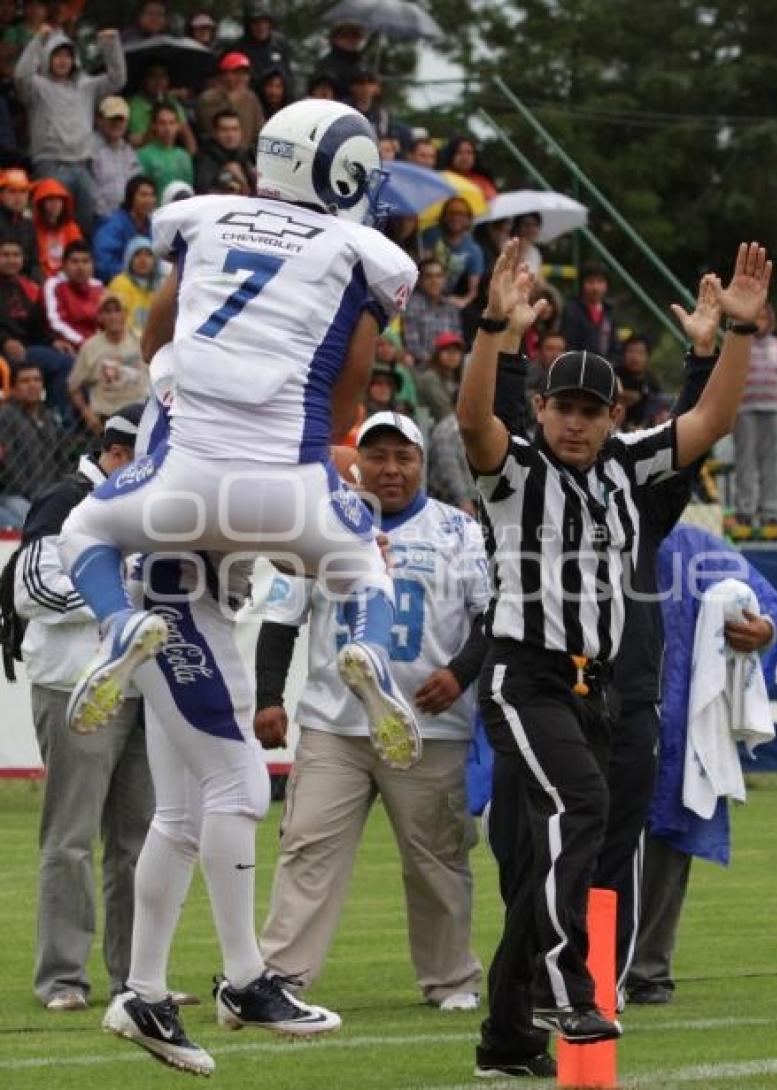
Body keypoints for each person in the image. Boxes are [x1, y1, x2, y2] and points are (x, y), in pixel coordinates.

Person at [56, 99, 424, 1070]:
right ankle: (244, 976)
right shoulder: (347, 263)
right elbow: (348, 383)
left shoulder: (194, 271)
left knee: (181, 810)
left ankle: (141, 994)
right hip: (213, 562)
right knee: (241, 783)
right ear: (345, 174)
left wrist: (169, 367)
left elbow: (163, 330)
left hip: (171, 533)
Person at [455, 239, 772, 1071]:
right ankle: (568, 984)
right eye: (562, 405)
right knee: (584, 806)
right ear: (545, 408)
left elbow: (713, 422)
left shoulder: (629, 466)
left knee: (555, 856)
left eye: (591, 410)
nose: (574, 420)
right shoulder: (515, 471)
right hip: (525, 674)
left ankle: (505, 1039)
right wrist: (493, 328)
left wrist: (736, 336)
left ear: (614, 416)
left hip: (595, 688)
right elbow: (471, 420)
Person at [256, 412, 489, 1008]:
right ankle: (281, 977)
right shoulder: (323, 526)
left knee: (437, 858)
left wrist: (460, 675)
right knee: (307, 847)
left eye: (403, 457)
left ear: (421, 463)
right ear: (357, 461)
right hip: (335, 722)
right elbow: (282, 620)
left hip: (430, 725)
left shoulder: (459, 532)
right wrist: (267, 699)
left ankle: (450, 979)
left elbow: (492, 619)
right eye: (377, 456)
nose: (390, 469)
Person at [12, 406, 154, 1011]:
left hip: (144, 690)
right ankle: (63, 979)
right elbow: (29, 591)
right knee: (70, 838)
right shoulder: (62, 501)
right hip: (74, 684)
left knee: (140, 840)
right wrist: (119, 598)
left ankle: (136, 977)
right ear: (119, 454)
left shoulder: (155, 508)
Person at [626, 524, 777, 1005]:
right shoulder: (569, 533)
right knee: (580, 846)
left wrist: (765, 630)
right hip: (595, 719)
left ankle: (647, 970)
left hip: (672, 725)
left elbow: (767, 605)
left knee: (665, 844)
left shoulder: (693, 547)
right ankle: (574, 964)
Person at [14, 26, 126, 237]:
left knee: (85, 223)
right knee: (52, 222)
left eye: (67, 55)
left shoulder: (87, 87)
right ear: (48, 58)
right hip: (50, 162)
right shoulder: (37, 87)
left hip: (82, 164)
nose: (63, 60)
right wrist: (39, 39)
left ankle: (82, 263)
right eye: (57, 55)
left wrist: (111, 46)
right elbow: (21, 76)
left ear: (74, 60)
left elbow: (117, 80)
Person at [731, 303, 777, 538]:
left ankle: (771, 509)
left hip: (773, 409)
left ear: (771, 321)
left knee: (771, 460)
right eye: (756, 316)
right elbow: (729, 376)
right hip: (746, 409)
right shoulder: (741, 345)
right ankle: (745, 508)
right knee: (745, 460)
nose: (760, 321)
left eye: (764, 317)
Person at [0, 236, 75, 419]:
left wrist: (53, 341)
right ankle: (57, 419)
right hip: (5, 350)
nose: (11, 260)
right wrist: (5, 342)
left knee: (69, 360)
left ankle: (55, 417)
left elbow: (37, 326)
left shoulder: (28, 287)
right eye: (5, 255)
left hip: (28, 348)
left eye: (16, 255)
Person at [68, 292, 148, 433]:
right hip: (106, 420)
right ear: (100, 316)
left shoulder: (141, 340)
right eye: (107, 311)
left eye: (118, 310)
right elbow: (73, 387)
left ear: (125, 314)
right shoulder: (90, 347)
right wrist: (87, 413)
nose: (113, 316)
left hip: (140, 417)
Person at [0, 362, 66, 527]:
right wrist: (39, 498)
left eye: (37, 380)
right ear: (14, 388)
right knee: (31, 524)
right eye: (25, 381)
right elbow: (10, 467)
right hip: (14, 495)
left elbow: (61, 461)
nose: (32, 385)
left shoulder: (50, 417)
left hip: (50, 496)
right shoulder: (6, 416)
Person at [421, 197, 485, 312]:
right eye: (452, 213)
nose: (456, 217)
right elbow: (425, 270)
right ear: (444, 216)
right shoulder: (431, 234)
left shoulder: (474, 250)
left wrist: (463, 301)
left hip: (450, 300)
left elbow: (473, 291)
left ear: (468, 219)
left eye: (461, 214)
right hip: (423, 293)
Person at [93, 175, 156, 284]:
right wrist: (134, 274)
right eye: (143, 195)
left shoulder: (153, 225)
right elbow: (103, 264)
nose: (148, 200)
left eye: (152, 195)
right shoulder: (113, 225)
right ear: (131, 197)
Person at [403, 257, 464, 369]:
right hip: (423, 369)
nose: (434, 281)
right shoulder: (412, 306)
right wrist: (436, 364)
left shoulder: (451, 308)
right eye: (429, 276)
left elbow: (457, 342)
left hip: (449, 369)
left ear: (444, 279)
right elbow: (413, 347)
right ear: (420, 281)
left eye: (439, 276)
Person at [127, 61, 198, 156]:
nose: (158, 81)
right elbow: (135, 143)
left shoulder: (172, 102)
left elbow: (188, 138)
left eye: (162, 76)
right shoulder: (133, 104)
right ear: (144, 79)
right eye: (152, 76)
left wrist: (189, 161)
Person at [196, 52, 264, 148]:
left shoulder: (251, 97)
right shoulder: (208, 98)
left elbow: (260, 129)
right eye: (237, 73)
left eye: (245, 73)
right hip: (216, 156)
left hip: (246, 155)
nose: (242, 78)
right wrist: (232, 102)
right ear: (224, 74)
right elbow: (210, 131)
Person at [44, 240, 103, 350]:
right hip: (66, 345)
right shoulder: (53, 285)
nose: (80, 267)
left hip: (95, 346)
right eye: (75, 262)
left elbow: (105, 321)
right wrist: (82, 342)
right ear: (64, 265)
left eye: (85, 261)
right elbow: (55, 322)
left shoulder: (98, 287)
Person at [91, 96, 142, 223]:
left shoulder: (129, 151)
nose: (117, 123)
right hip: (100, 219)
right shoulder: (88, 150)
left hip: (129, 219)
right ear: (99, 120)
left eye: (121, 119)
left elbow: (137, 185)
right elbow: (90, 193)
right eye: (112, 119)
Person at [561, 260, 621, 361]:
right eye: (590, 282)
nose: (595, 287)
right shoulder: (571, 309)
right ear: (582, 284)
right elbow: (569, 346)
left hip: (604, 368)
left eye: (600, 281)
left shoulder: (609, 311)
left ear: (606, 285)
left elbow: (613, 346)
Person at [236, 0, 296, 98]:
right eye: (256, 23)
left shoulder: (280, 44)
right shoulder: (239, 48)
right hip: (253, 99)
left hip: (279, 100)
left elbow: (289, 77)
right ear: (248, 25)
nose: (261, 27)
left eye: (265, 22)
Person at [107, 236, 162, 339]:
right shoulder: (120, 283)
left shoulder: (161, 285)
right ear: (129, 259)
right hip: (128, 340)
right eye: (137, 255)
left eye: (148, 255)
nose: (143, 260)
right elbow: (121, 320)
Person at [137, 103, 194, 202]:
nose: (168, 128)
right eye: (162, 123)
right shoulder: (143, 155)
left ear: (178, 126)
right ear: (154, 126)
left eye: (172, 123)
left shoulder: (184, 156)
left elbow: (188, 189)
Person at [194, 109, 256, 196]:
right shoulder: (205, 157)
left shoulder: (246, 155)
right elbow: (202, 191)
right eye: (224, 130)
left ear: (241, 132)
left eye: (235, 129)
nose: (230, 135)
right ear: (215, 132)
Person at [30, 176, 82, 280]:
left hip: (68, 276)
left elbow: (78, 255)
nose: (55, 204)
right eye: (50, 200)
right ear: (41, 204)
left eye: (58, 200)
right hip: (42, 278)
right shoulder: (33, 229)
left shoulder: (72, 228)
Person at [415, 330, 465, 425]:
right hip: (432, 429)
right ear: (437, 354)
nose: (452, 355)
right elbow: (444, 412)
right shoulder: (429, 378)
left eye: (456, 351)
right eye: (447, 350)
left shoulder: (456, 378)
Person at [616, 334, 663, 430]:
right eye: (631, 351)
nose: (634, 357)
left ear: (648, 356)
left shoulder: (652, 381)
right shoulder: (615, 375)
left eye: (640, 352)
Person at [0, 166, 38, 279]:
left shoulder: (29, 225)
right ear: (1, 195)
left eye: (23, 192)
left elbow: (34, 263)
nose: (18, 197)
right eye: (12, 191)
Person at [437, 134, 498, 200]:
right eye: (459, 152)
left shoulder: (482, 181)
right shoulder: (440, 179)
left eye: (469, 153)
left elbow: (492, 201)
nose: (465, 157)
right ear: (451, 155)